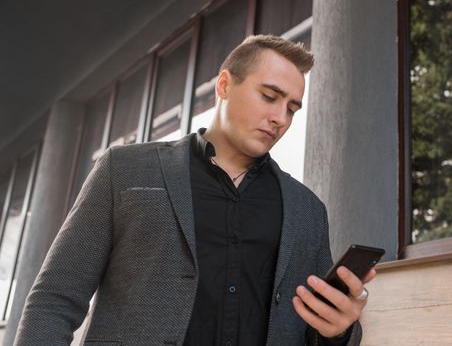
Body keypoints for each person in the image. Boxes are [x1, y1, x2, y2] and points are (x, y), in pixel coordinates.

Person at [15, 35, 375, 346]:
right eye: (269, 96)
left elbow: (313, 331)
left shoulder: (307, 210)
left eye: (292, 108)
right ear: (224, 86)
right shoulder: (123, 169)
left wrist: (340, 330)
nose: (281, 118)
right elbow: (55, 298)